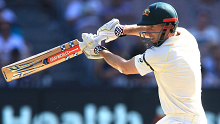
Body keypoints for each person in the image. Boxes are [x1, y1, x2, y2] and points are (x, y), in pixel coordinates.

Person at [82, 2, 207, 123]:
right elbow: (152, 30)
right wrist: (121, 30)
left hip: (182, 120)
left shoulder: (161, 54)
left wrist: (99, 50)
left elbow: (125, 67)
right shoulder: (185, 36)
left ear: (168, 26)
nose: (148, 32)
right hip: (188, 118)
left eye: (151, 27)